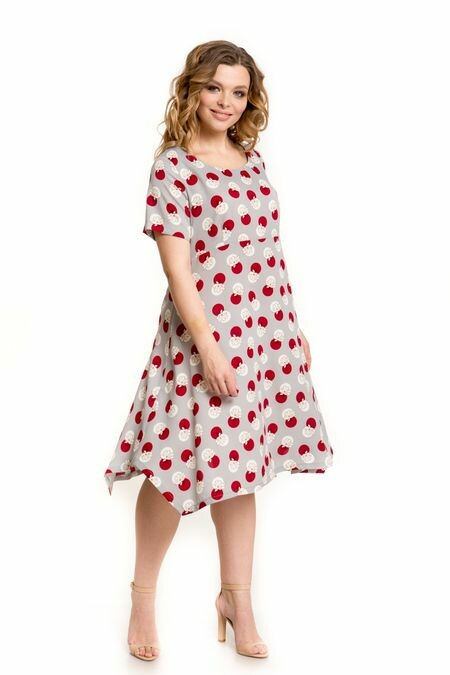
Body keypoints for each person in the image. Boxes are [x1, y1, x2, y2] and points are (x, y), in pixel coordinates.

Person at [104, 39, 334, 661]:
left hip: (262, 333)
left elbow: (268, 252)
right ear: (192, 90)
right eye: (215, 88)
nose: (226, 102)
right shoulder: (173, 167)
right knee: (174, 462)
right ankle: (142, 597)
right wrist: (207, 345)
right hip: (200, 334)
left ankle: (238, 600)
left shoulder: (253, 161)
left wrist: (292, 326)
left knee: (243, 465)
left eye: (238, 92)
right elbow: (177, 269)